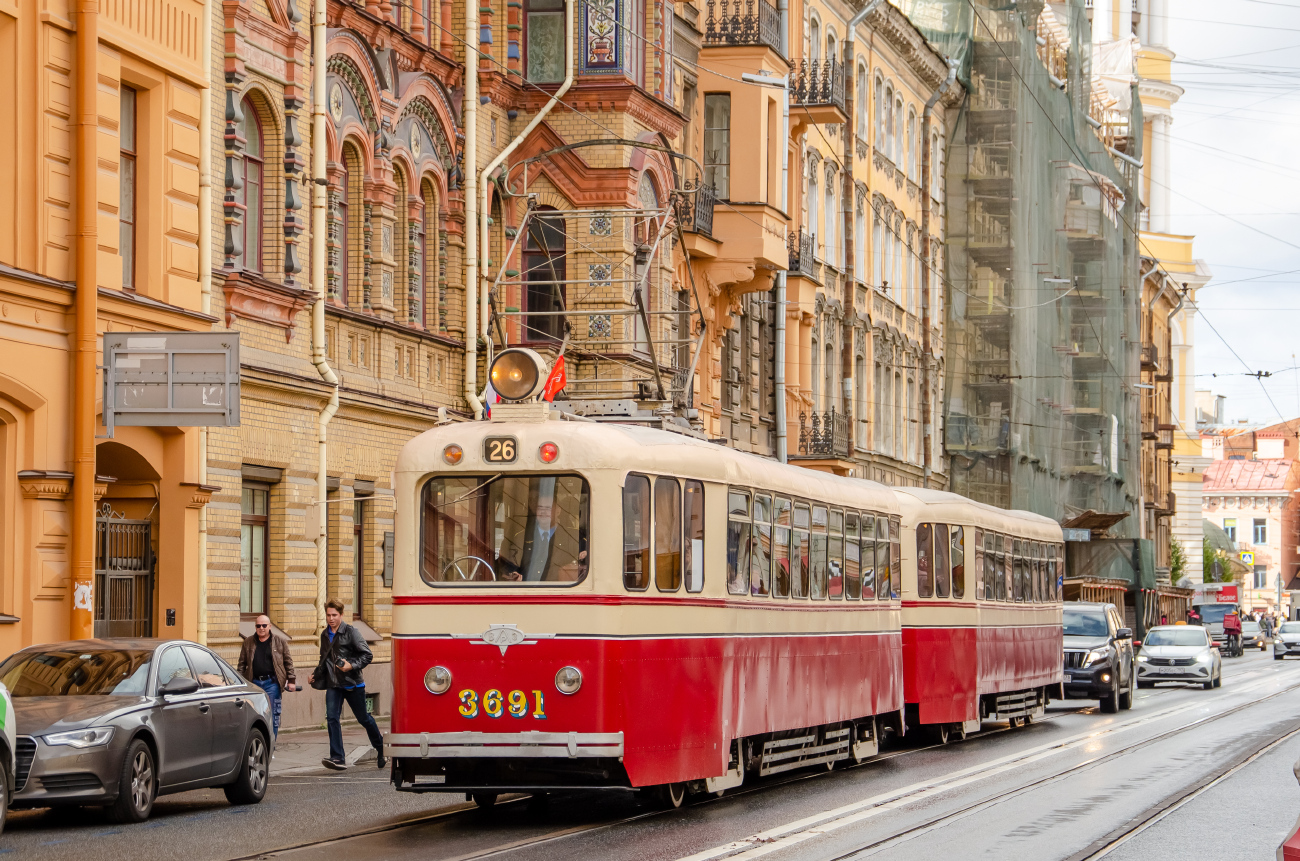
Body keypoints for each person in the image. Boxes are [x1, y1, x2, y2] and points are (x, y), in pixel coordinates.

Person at [309, 599, 385, 771]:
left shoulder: (351, 632)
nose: (331, 618)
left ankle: (381, 748)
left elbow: (367, 655)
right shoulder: (324, 635)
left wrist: (351, 665)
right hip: (333, 685)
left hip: (352, 684)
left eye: (334, 615)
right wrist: (315, 675)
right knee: (332, 719)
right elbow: (324, 660)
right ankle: (337, 758)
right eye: (328, 615)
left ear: (341, 615)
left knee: (363, 719)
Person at [238, 614, 296, 738]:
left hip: (272, 684)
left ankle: (271, 747)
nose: (261, 628)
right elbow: (242, 664)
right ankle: (261, 744)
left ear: (270, 626)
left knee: (273, 715)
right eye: (258, 626)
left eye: (264, 625)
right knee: (256, 715)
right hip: (254, 684)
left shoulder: (280, 641)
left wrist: (291, 680)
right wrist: (239, 682)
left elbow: (288, 662)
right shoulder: (248, 642)